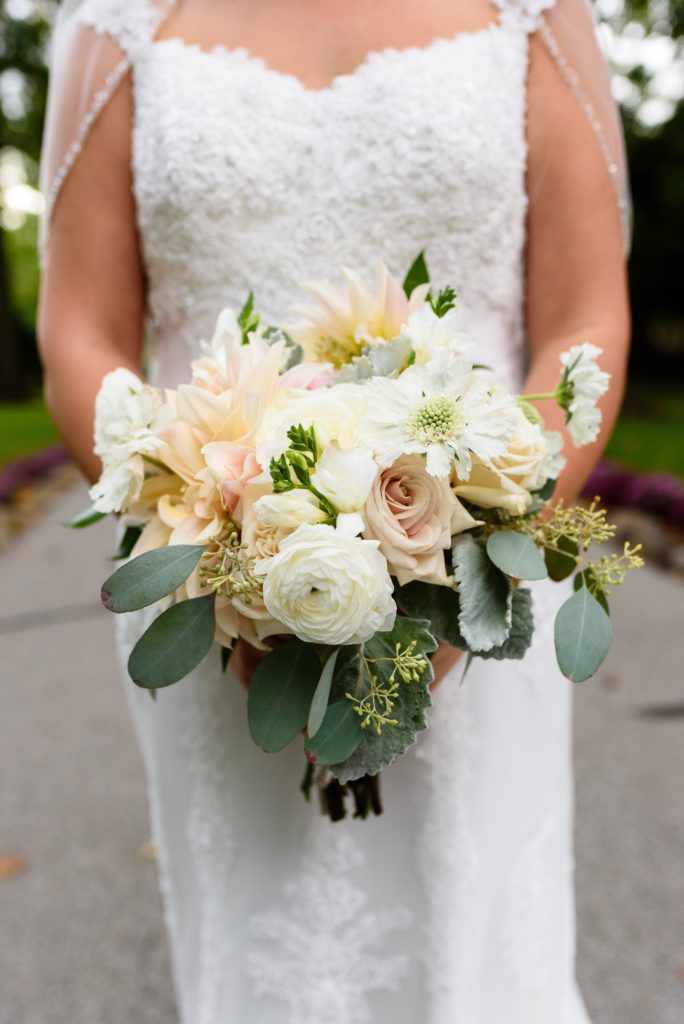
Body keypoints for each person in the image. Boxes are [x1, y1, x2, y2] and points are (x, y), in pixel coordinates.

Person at [38, 1, 630, 1021]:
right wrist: (225, 560)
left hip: (481, 591)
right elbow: (81, 329)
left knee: (480, 953)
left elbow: (583, 317)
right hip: (210, 584)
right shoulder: (115, 21)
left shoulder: (532, 13)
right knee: (261, 949)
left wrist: (471, 549)